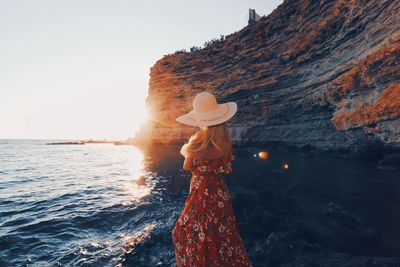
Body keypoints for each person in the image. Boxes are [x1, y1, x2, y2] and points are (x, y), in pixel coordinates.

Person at [172, 91, 252, 266]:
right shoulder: (225, 140)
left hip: (202, 193)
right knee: (220, 235)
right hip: (219, 192)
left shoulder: (198, 141)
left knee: (181, 232)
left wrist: (191, 144)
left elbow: (187, 166)